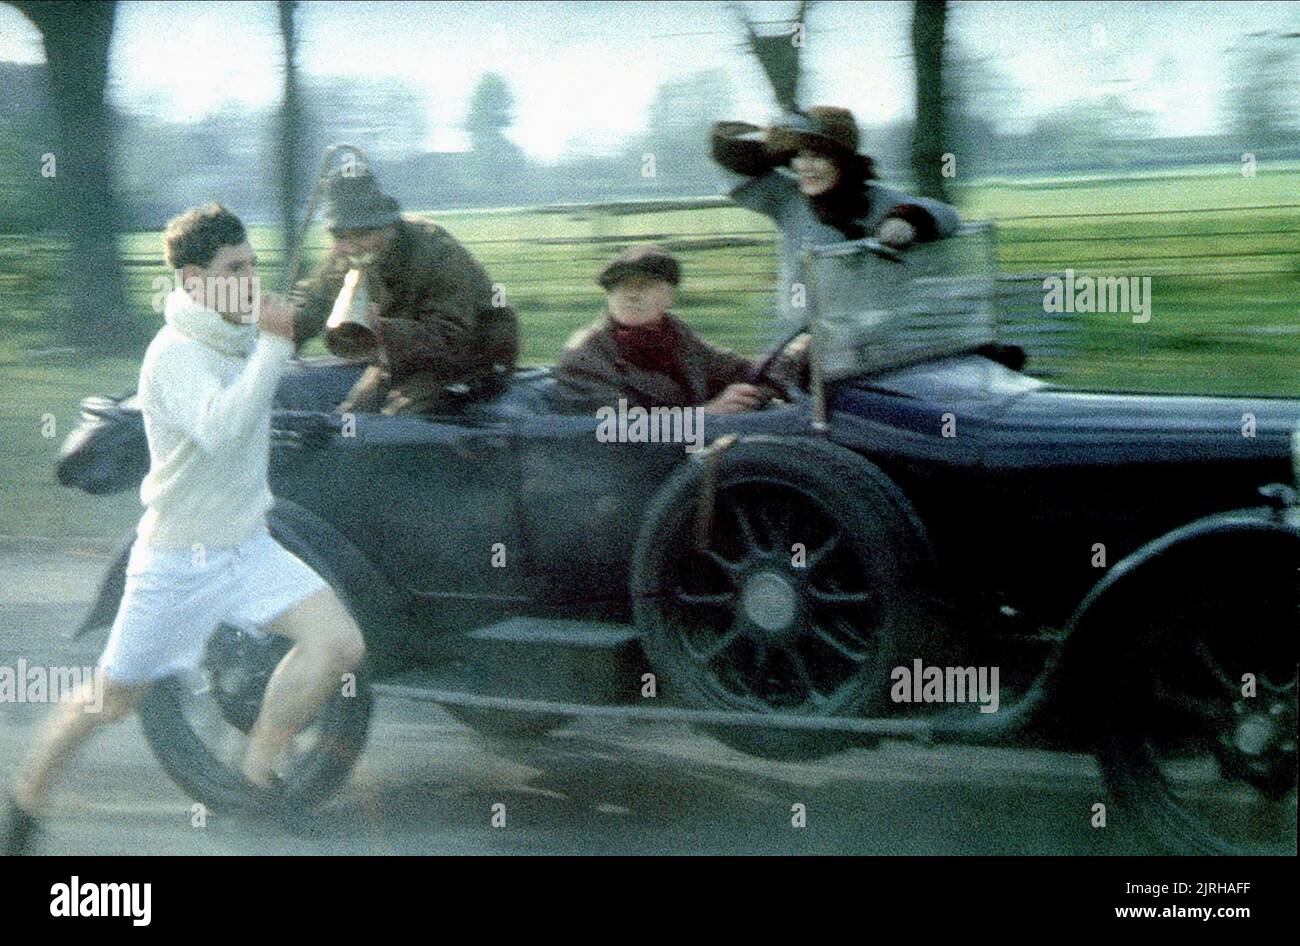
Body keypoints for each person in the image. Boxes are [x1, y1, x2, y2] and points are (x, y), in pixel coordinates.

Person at [2, 204, 366, 855]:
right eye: (236, 268)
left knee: (338, 644)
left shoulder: (238, 334)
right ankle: (25, 800)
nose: (251, 278)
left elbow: (269, 368)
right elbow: (223, 428)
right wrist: (278, 344)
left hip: (249, 548)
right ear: (196, 280)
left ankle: (255, 782)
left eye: (254, 263)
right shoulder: (174, 353)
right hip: (176, 564)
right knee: (108, 703)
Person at [711, 105, 962, 341]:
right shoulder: (786, 197)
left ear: (842, 161)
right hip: (800, 343)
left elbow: (947, 215)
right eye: (798, 156)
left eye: (818, 157)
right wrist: (772, 138)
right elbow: (732, 165)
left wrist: (907, 220)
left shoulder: (874, 199)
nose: (805, 167)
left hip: (870, 343)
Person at [292, 167, 519, 415]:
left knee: (400, 417)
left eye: (361, 234)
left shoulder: (435, 251)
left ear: (387, 226)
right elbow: (311, 304)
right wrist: (277, 332)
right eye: (340, 236)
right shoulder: (346, 256)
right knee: (352, 415)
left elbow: (453, 338)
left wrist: (382, 329)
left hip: (473, 354)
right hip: (403, 355)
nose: (350, 247)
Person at [553, 244, 788, 416]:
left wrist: (788, 361)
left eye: (645, 285)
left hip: (685, 461)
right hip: (623, 473)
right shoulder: (586, 353)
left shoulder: (675, 338)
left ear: (669, 297)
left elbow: (742, 372)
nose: (631, 295)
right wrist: (707, 414)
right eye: (620, 286)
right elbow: (618, 430)